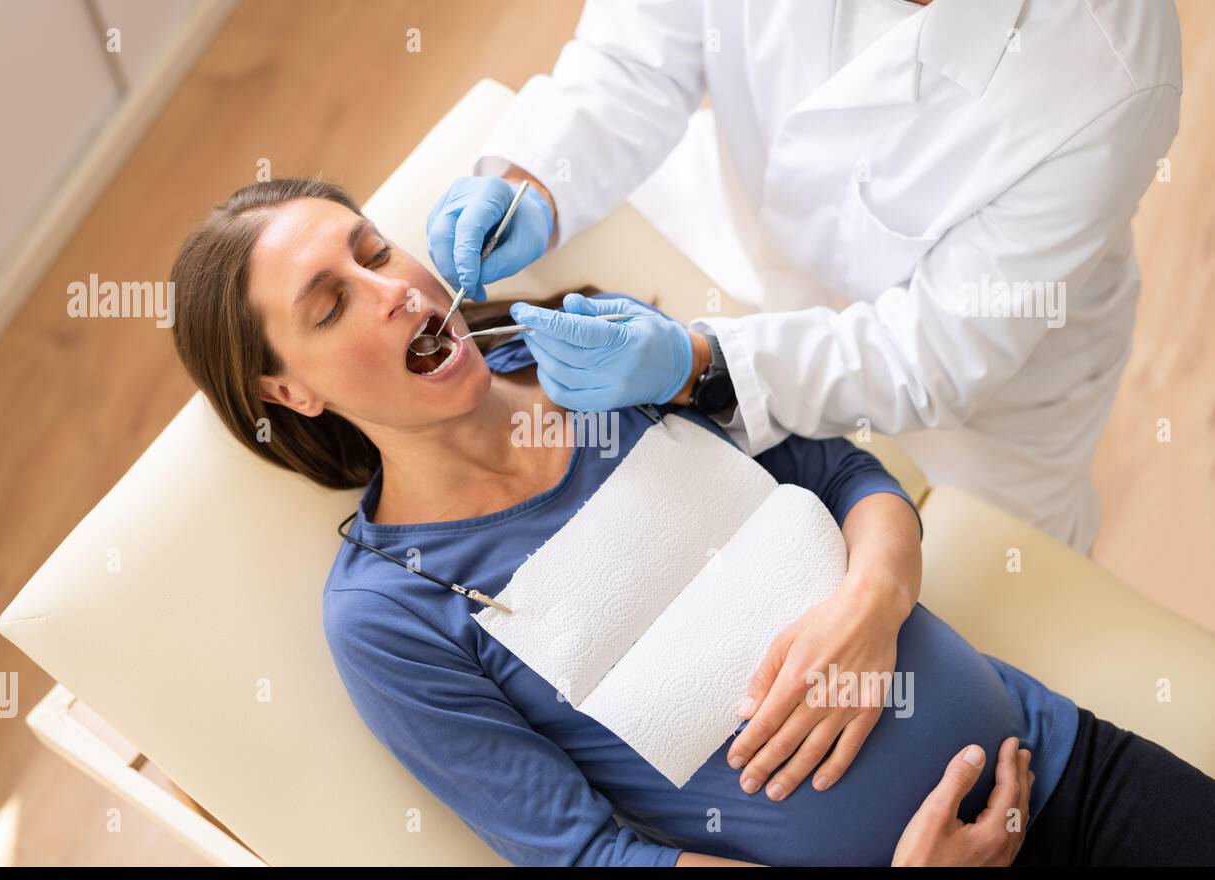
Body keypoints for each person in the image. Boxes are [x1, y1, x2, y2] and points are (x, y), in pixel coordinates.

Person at [167, 178, 1215, 866]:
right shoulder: (390, 607)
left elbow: (843, 472)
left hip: (1061, 767)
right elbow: (585, 857)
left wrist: (872, 596)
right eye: (328, 303)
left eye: (374, 249)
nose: (392, 287)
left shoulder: (595, 358)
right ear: (290, 391)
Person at [426, 0, 1183, 556]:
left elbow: (933, 353)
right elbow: (638, 57)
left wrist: (701, 365)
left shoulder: (1106, 66)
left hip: (986, 388)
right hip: (749, 220)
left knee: (996, 589)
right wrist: (533, 178)